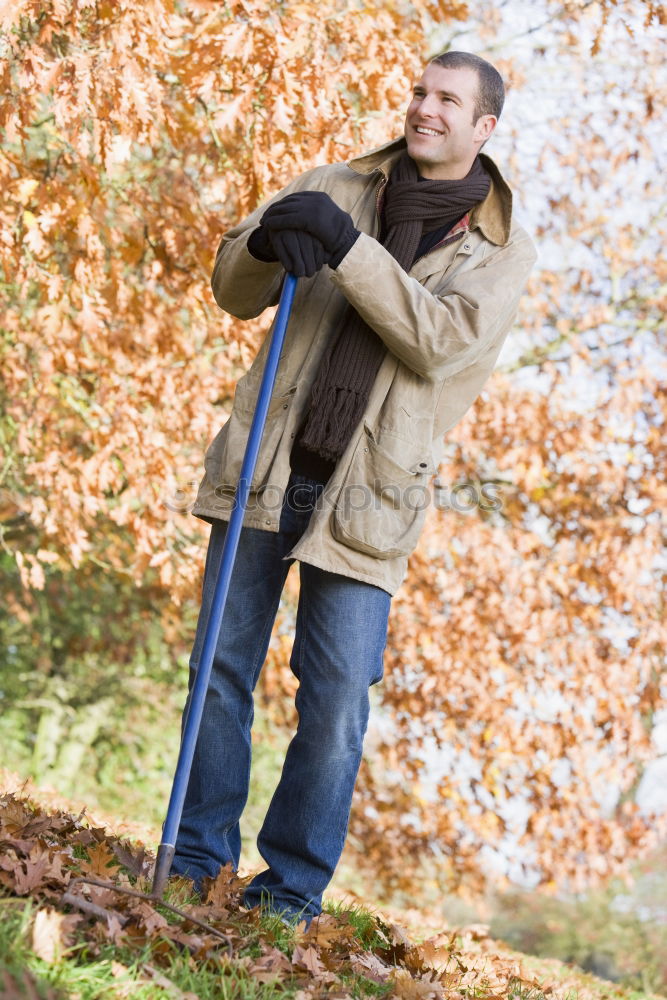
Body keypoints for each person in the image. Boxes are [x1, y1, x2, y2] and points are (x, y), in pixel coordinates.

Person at [171, 51, 537, 924]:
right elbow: (234, 289)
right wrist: (261, 245)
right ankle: (193, 856)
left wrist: (348, 249)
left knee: (333, 702)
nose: (425, 109)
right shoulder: (334, 184)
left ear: (484, 127)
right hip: (266, 464)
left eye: (448, 100)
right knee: (219, 667)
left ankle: (289, 891)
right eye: (419, 92)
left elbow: (441, 341)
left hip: (367, 499)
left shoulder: (500, 247)